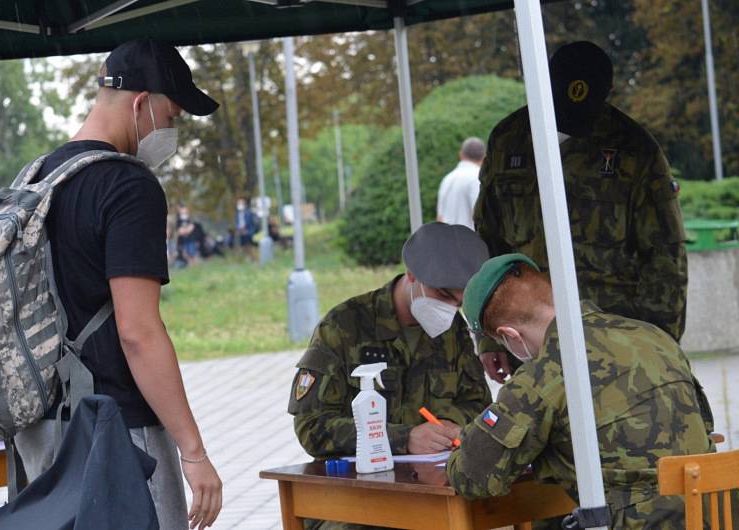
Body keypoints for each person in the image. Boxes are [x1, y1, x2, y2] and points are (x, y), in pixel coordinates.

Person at [14, 39, 222, 530]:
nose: (171, 132)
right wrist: (194, 453)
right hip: (115, 430)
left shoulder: (35, 179)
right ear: (140, 103)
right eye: (171, 117)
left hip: (39, 431)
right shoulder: (128, 186)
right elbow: (138, 332)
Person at [473, 41, 688, 384]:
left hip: (614, 339)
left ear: (609, 93)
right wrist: (488, 335)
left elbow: (665, 255)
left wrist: (661, 343)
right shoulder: (509, 139)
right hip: (530, 338)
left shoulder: (634, 148)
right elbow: (489, 243)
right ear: (543, 83)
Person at [447, 253, 714, 529]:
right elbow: (705, 424)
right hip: (713, 514)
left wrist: (466, 438)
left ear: (511, 335)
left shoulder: (542, 375)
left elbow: (472, 477)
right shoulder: (652, 336)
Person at [288, 222, 492, 463]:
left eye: (459, 302)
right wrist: (402, 438)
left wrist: (453, 425)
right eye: (444, 295)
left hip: (435, 478)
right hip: (364, 484)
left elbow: (480, 406)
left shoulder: (453, 329)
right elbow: (311, 427)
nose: (449, 309)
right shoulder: (344, 326)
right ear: (412, 274)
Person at [436, 137, 485, 230]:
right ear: (484, 157)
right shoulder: (479, 178)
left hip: (448, 241)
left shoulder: (447, 179)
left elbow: (440, 218)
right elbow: (480, 217)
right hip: (471, 241)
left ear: (461, 155)